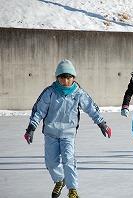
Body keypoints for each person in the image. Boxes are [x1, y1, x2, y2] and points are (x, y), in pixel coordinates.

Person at [23, 59, 112, 198]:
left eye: (69, 77)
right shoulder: (50, 92)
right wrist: (31, 128)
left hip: (68, 134)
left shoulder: (78, 93)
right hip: (50, 133)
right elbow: (38, 111)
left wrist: (102, 123)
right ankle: (60, 180)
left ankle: (72, 189)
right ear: (57, 78)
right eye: (62, 77)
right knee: (51, 163)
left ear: (73, 78)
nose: (66, 81)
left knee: (68, 160)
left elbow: (91, 108)